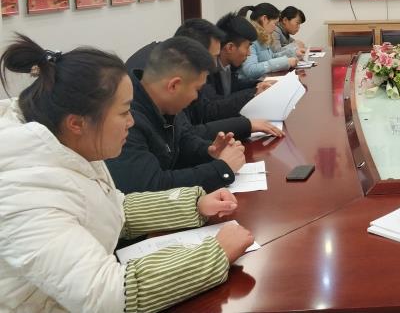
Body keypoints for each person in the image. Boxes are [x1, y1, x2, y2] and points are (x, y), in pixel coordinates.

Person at [0, 34, 254, 312]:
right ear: (77, 123)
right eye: (123, 112)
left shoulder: (66, 143)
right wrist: (214, 255)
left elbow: (112, 206)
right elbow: (105, 295)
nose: (131, 122)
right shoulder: (23, 193)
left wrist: (194, 204)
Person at [107, 37, 246, 194]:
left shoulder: (165, 103)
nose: (196, 97)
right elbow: (151, 187)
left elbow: (183, 141)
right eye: (196, 90)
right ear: (174, 85)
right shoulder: (127, 120)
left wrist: (209, 151)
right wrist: (221, 170)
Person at [128, 18, 276, 141]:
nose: (215, 64)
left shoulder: (177, 62)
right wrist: (246, 124)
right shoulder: (165, 73)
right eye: (213, 57)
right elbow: (199, 119)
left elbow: (188, 131)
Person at [238, 3, 299, 80]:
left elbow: (271, 57)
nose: (275, 27)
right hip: (251, 85)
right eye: (275, 23)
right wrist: (285, 62)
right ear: (264, 19)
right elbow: (250, 70)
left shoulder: (262, 37)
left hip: (263, 81)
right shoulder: (251, 39)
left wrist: (293, 53)